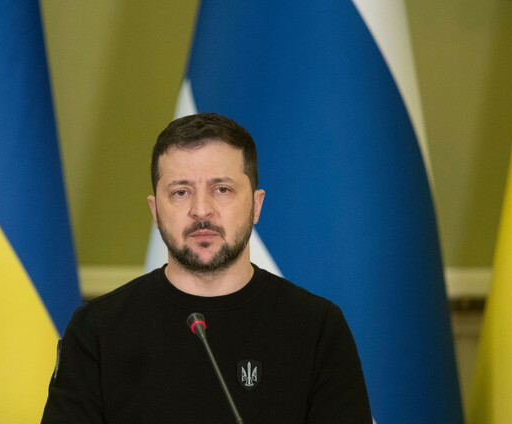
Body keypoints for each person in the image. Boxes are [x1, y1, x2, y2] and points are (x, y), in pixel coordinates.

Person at [41, 113, 372, 423]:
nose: (201, 210)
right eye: (181, 192)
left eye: (222, 189)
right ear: (155, 212)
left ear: (256, 205)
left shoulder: (317, 328)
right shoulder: (97, 330)